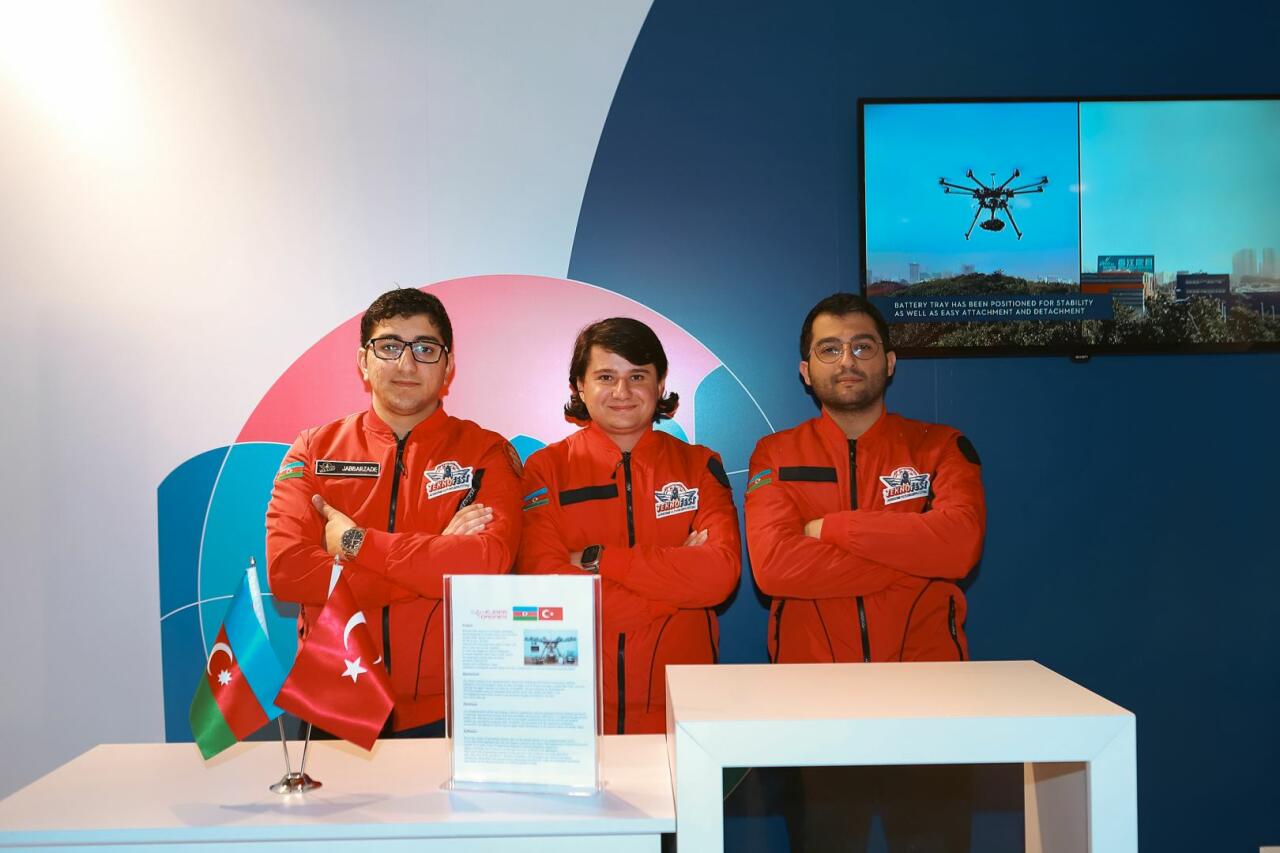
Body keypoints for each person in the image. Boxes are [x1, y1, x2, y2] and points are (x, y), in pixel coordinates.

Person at [744, 293, 986, 852]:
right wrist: (912, 558)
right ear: (806, 371)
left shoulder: (941, 446)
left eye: (862, 346)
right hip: (811, 704)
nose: (847, 360)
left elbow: (958, 548)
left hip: (932, 699)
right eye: (829, 349)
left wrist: (831, 529)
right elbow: (775, 567)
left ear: (889, 362)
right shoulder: (774, 453)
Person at [266, 287, 522, 737]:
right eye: (388, 347)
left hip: (453, 708)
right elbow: (288, 572)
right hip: (332, 699)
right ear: (363, 362)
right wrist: (435, 560)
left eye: (425, 348)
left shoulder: (486, 453)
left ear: (448, 366)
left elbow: (488, 563)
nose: (406, 365)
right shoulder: (313, 449)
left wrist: (355, 543)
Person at [517, 317, 741, 734]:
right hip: (571, 710)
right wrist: (670, 594)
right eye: (606, 377)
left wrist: (597, 560)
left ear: (660, 385)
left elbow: (718, 576)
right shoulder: (545, 468)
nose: (622, 391)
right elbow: (545, 588)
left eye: (637, 376)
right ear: (579, 386)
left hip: (680, 710)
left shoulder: (699, 465)